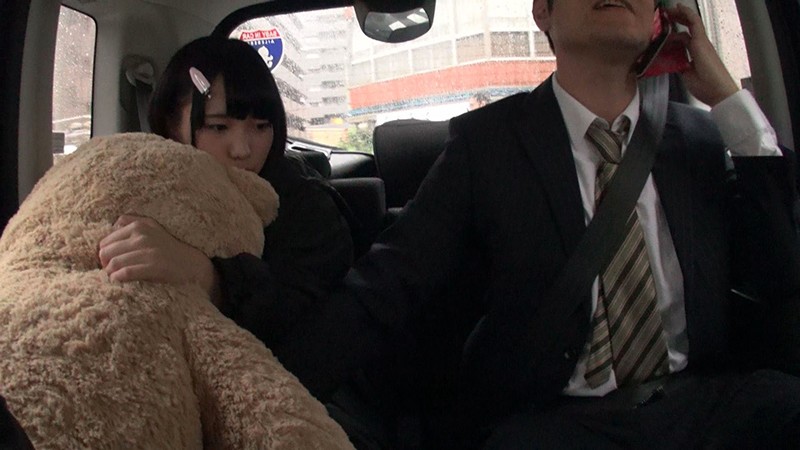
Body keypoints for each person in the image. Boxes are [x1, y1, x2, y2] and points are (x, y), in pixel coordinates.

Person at [277, 1, 800, 448]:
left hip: (700, 405)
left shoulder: (704, 140)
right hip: (557, 422)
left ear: (660, 18)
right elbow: (387, 285)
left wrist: (729, 99)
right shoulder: (486, 147)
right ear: (542, 12)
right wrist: (274, 380)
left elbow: (781, 270)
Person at [97, 36, 353, 350]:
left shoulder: (309, 210)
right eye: (218, 127)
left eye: (261, 126)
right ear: (170, 125)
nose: (242, 150)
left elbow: (307, 329)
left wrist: (211, 278)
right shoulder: (143, 189)